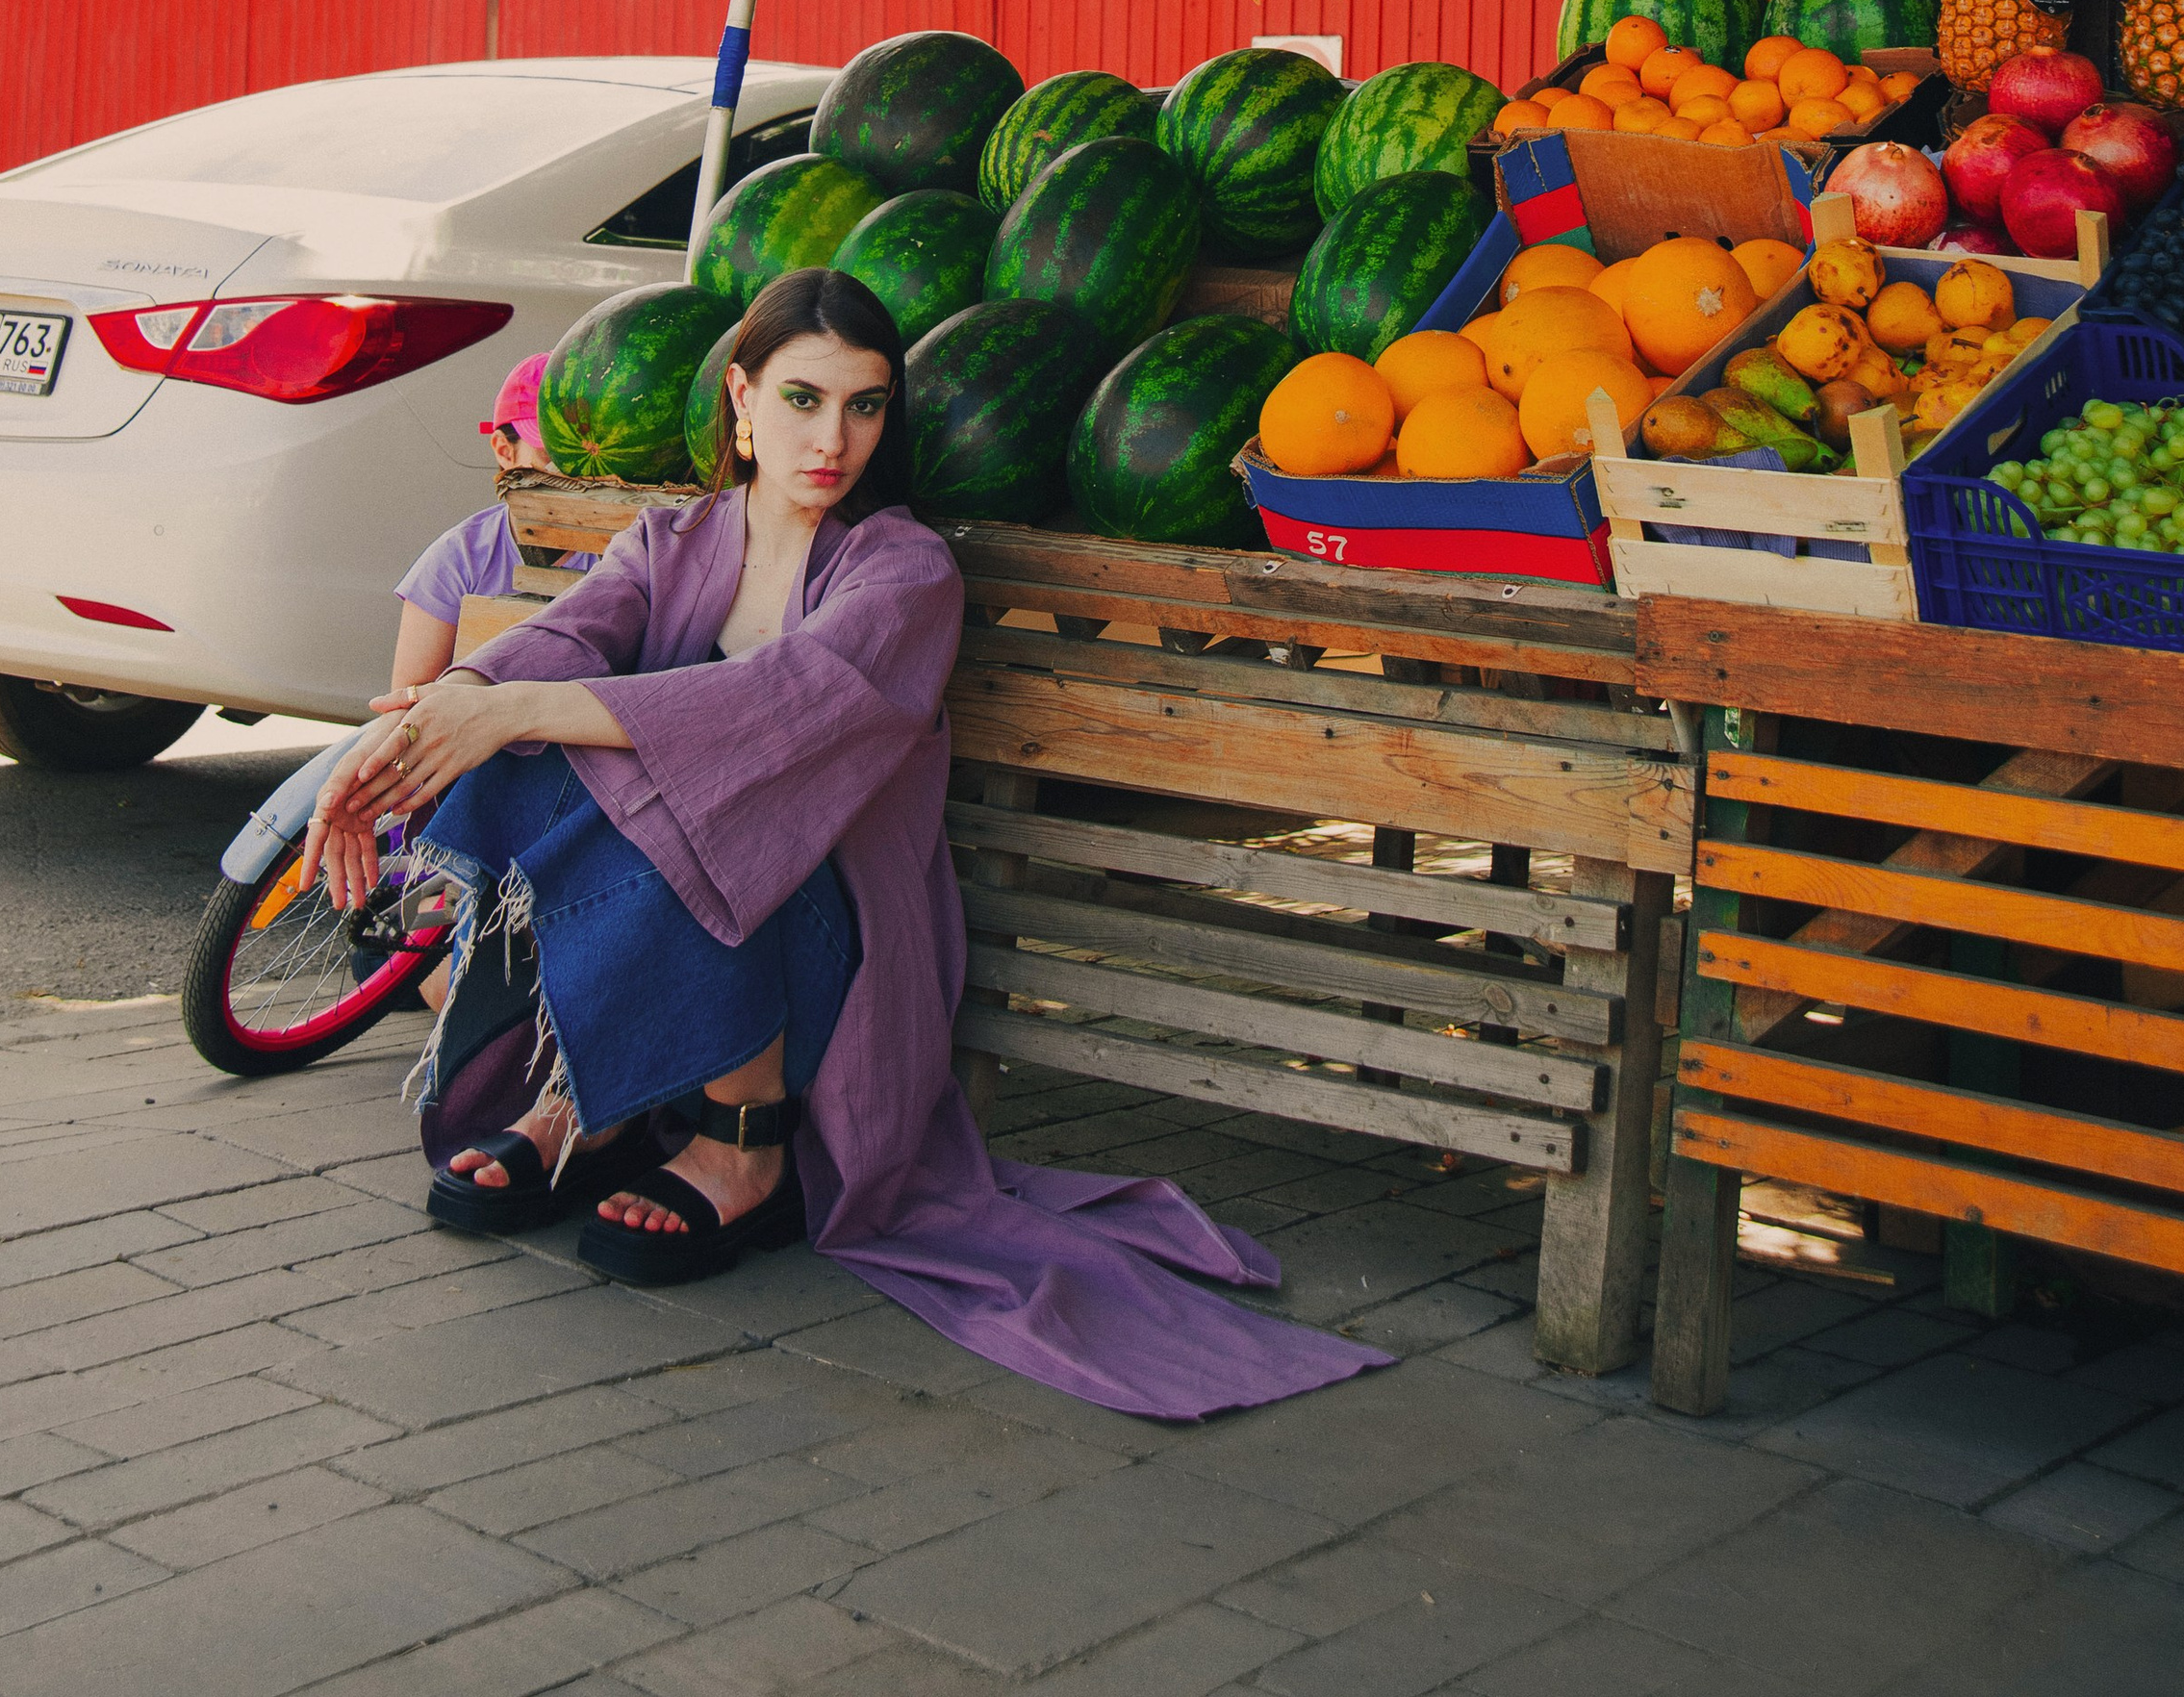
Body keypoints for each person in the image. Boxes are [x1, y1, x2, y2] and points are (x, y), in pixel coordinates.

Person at [303, 266, 1385, 1421]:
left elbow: (779, 704)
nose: (834, 439)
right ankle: (599, 1087)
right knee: (528, 747)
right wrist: (450, 704)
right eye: (804, 400)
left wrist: (514, 709)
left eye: (865, 405)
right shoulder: (675, 541)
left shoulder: (903, 570)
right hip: (698, 924)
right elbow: (569, 636)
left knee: (681, 769)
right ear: (740, 399)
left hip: (830, 948)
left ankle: (743, 1145)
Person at [385, 352, 548, 690]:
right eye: (550, 457)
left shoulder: (630, 551)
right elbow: (405, 703)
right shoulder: (457, 558)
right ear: (505, 451)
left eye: (578, 457)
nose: (566, 474)